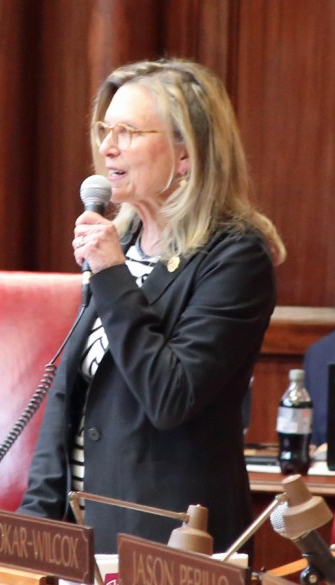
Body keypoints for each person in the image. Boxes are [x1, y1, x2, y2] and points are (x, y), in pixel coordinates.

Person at [19, 58, 286, 554]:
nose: (107, 147)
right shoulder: (123, 243)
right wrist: (33, 525)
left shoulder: (235, 256)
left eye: (128, 131)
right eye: (105, 129)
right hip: (78, 533)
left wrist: (113, 276)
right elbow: (67, 403)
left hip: (165, 540)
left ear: (186, 154)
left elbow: (170, 397)